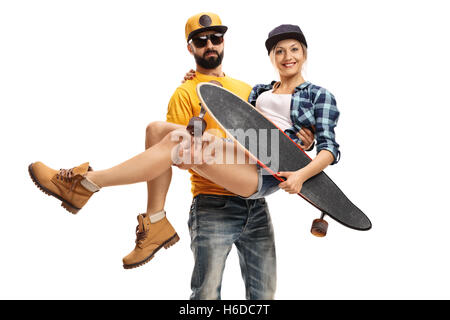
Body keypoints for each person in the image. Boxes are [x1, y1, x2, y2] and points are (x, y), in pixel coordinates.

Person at [29, 13, 319, 300]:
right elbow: (175, 157)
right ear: (190, 47)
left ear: (223, 42)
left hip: (255, 205)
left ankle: (139, 211)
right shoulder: (184, 93)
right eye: (201, 40)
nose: (210, 45)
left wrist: (304, 139)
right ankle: (95, 188)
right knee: (205, 297)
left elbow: (273, 128)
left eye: (215, 38)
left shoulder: (248, 90)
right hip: (213, 204)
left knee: (265, 295)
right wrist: (206, 141)